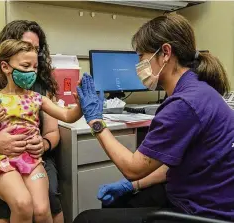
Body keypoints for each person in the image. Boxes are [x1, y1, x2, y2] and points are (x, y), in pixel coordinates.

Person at [73, 14, 234, 223]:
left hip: (203, 211)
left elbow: (132, 168)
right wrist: (133, 186)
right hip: (205, 193)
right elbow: (173, 162)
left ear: (165, 52)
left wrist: (96, 122)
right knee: (118, 202)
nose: (139, 64)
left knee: (86, 219)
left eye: (141, 56)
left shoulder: (184, 103)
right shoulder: (199, 90)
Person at [0, 39, 82, 223]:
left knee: (41, 211)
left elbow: (67, 116)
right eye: (26, 65)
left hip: (30, 159)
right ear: (5, 67)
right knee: (23, 204)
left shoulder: (37, 98)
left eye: (35, 67)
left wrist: (81, 105)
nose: (32, 71)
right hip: (0, 160)